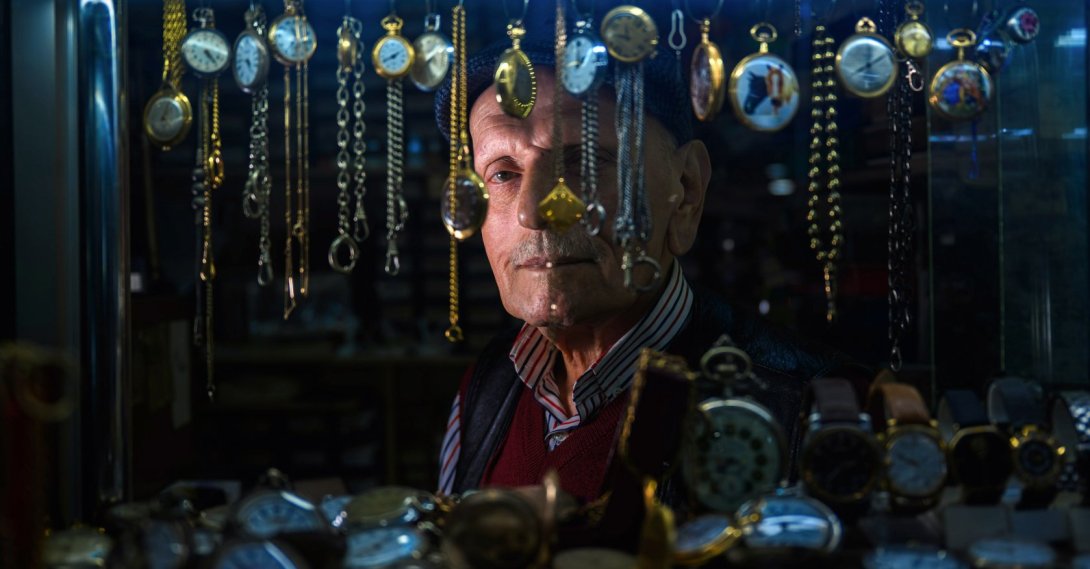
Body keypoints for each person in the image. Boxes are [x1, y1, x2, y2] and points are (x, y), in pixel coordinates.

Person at [434, 36, 869, 506]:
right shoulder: (487, 388)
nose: (533, 212)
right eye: (502, 174)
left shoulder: (812, 410)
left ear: (686, 190)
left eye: (584, 162)